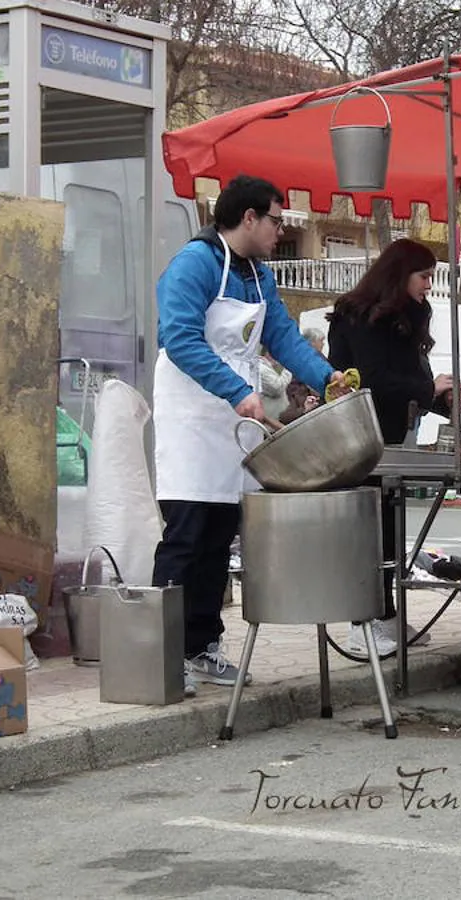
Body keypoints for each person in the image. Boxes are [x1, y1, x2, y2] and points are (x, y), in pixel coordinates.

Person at [151, 175, 348, 696]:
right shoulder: (194, 263)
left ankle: (203, 647)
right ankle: (162, 656)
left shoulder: (259, 277)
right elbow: (179, 338)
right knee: (185, 537)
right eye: (277, 220)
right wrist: (235, 391)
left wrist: (329, 379)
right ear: (249, 218)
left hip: (235, 421)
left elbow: (282, 336)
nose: (280, 230)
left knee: (219, 538)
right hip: (193, 418)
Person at [326, 238, 461, 656]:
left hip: (395, 439)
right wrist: (428, 388)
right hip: (360, 438)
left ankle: (386, 616)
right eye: (424, 277)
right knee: (370, 534)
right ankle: (361, 623)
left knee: (391, 530)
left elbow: (408, 380)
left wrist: (440, 398)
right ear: (399, 274)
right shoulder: (360, 317)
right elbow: (372, 378)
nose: (428, 285)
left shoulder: (407, 317)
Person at [258, 350, 293, 420]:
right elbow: (277, 388)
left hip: (276, 419)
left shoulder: (264, 367)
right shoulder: (261, 369)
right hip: (273, 421)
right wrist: (290, 367)